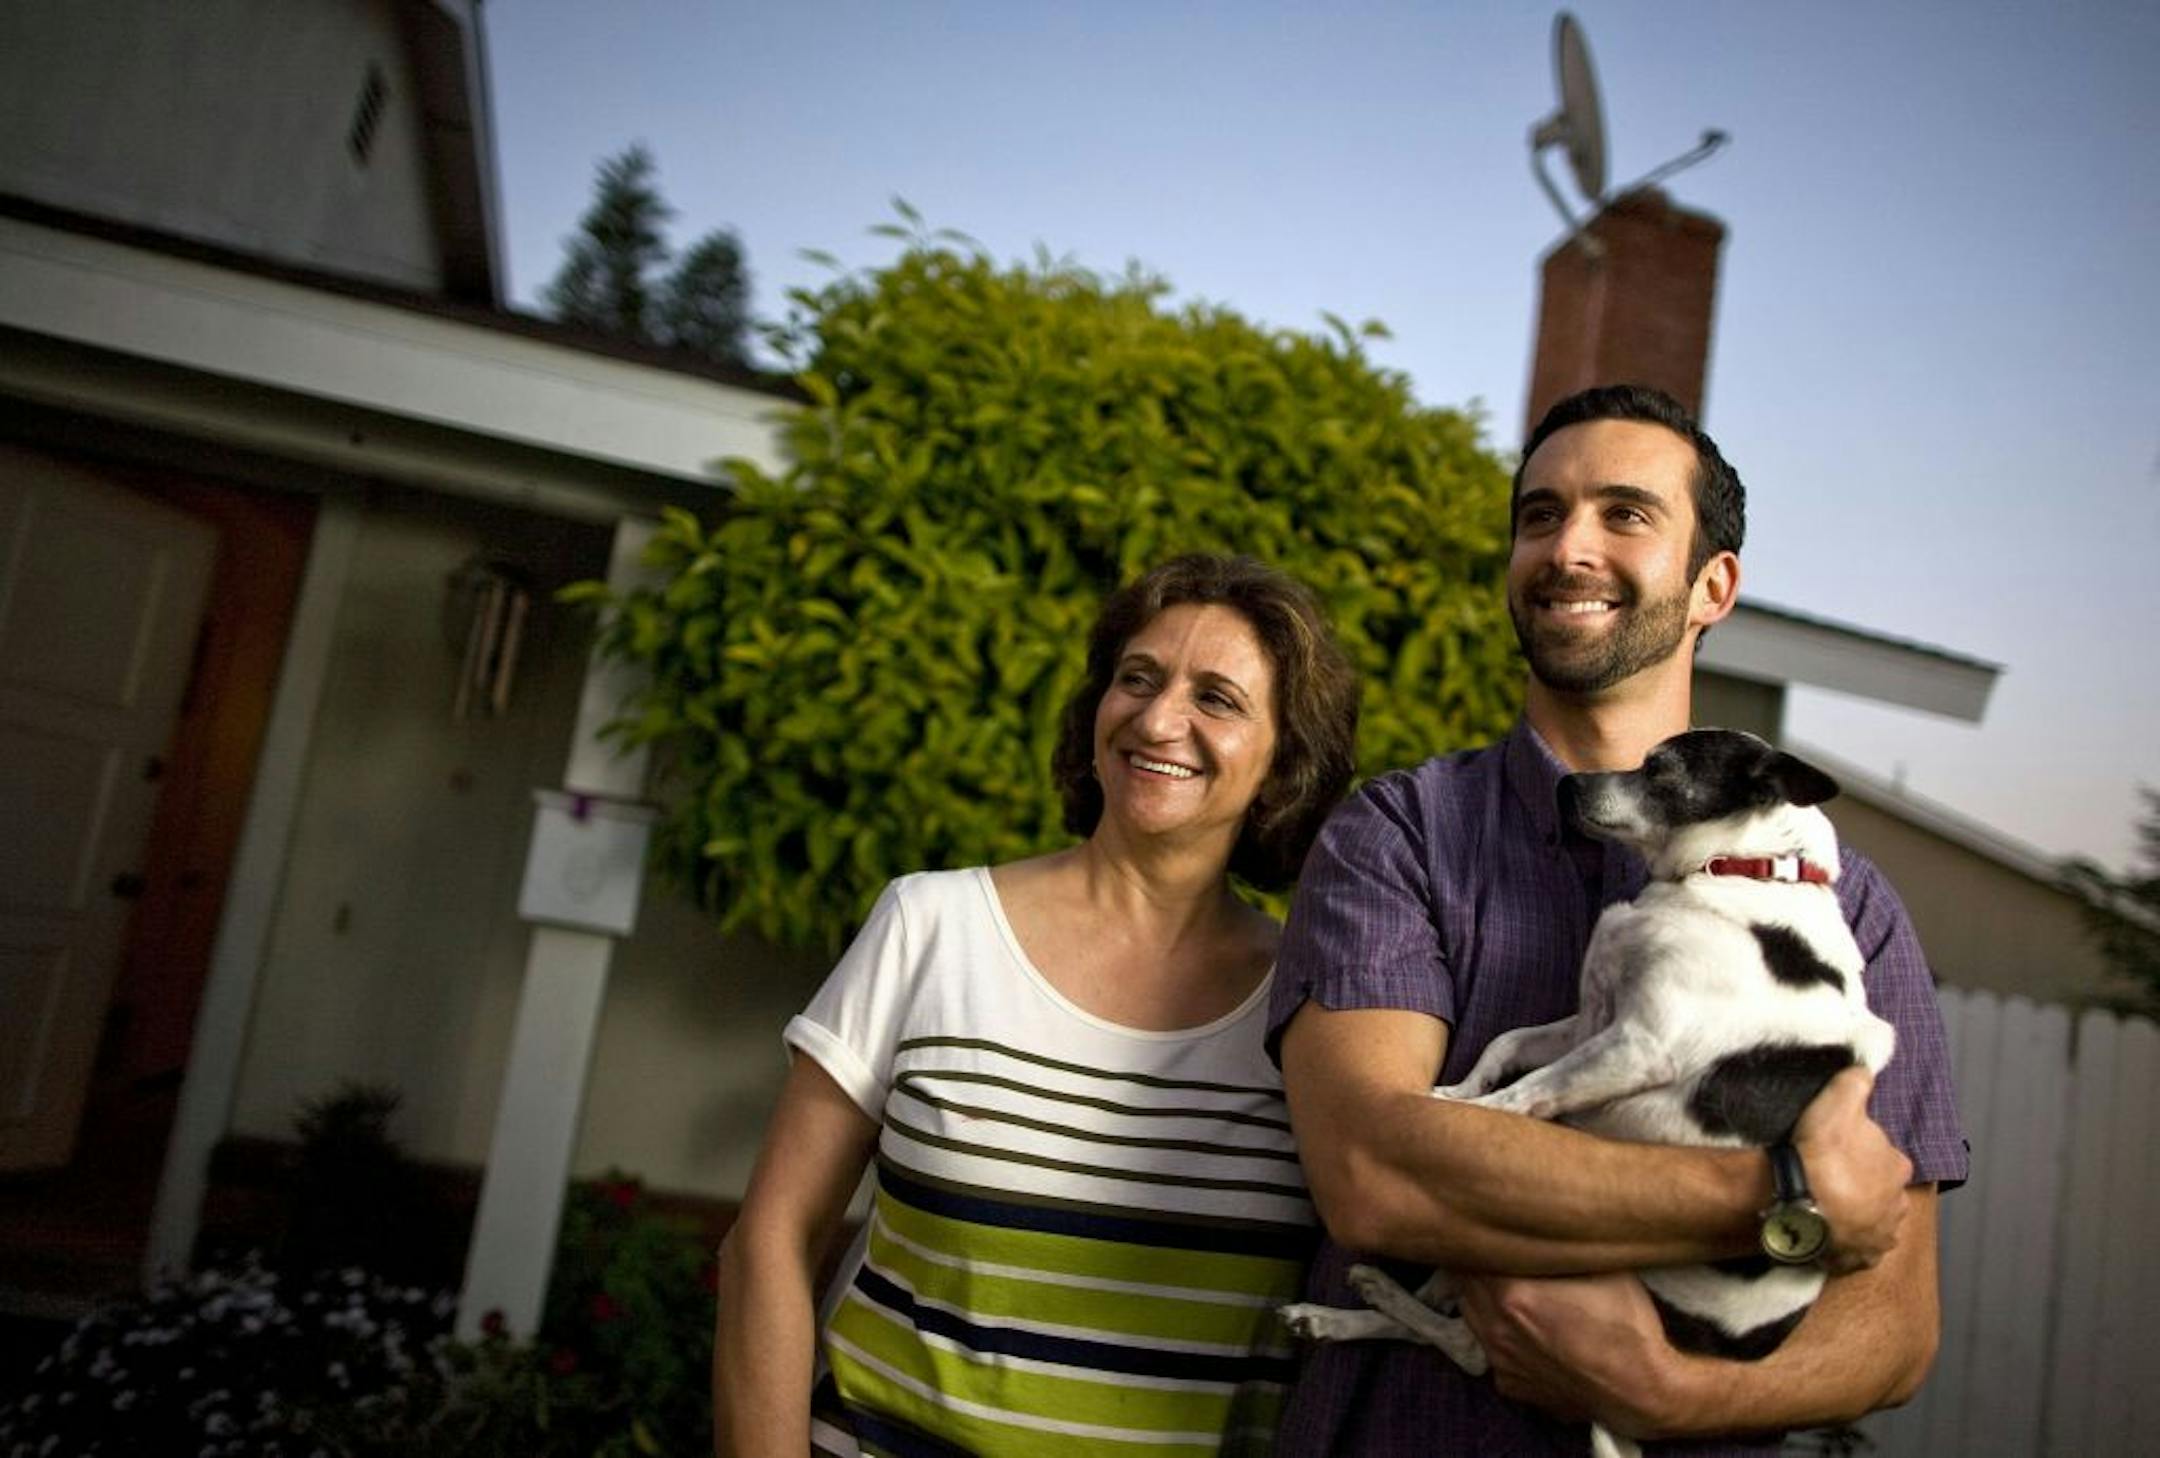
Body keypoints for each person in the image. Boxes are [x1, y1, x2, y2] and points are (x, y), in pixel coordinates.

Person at [1270, 384, 1969, 1455]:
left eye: (1625, 514)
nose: (1568, 548)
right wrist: (1784, 1193)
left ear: (1713, 586)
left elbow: (1895, 1332)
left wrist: (1670, 1394)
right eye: (1539, 516)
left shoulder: (1853, 913)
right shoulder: (1401, 835)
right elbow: (1375, 1176)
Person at [713, 553, 1362, 1456]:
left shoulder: (1317, 1000)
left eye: (1217, 698)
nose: (1160, 717)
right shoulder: (931, 925)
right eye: (1137, 678)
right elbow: (771, 1240)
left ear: (1285, 761)